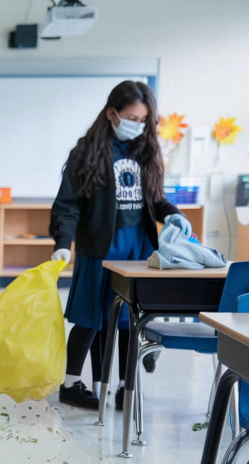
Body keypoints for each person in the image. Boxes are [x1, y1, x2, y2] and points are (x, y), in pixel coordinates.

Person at [50, 80, 191, 410]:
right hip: (100, 247)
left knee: (128, 320)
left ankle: (125, 389)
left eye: (143, 120)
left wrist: (172, 214)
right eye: (131, 117)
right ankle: (72, 384)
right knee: (91, 318)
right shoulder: (87, 152)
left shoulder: (144, 151)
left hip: (137, 248)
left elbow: (154, 198)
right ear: (112, 114)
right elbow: (68, 204)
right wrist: (63, 241)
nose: (138, 125)